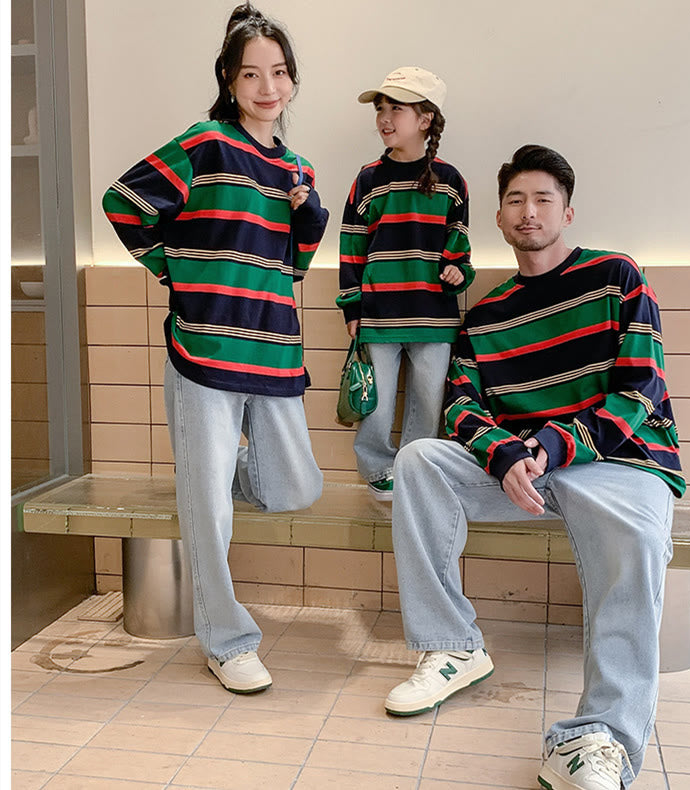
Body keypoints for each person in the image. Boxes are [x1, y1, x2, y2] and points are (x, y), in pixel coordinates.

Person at [385, 144, 685, 790]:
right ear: (499, 217)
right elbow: (460, 409)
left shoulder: (616, 277)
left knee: (636, 541)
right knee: (418, 461)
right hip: (528, 473)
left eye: (543, 198)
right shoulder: (487, 316)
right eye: (516, 200)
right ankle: (453, 645)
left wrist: (550, 445)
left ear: (567, 212)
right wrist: (505, 454)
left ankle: (601, 737)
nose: (529, 211)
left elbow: (641, 390)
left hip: (621, 463)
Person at [102, 3, 328, 694]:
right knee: (208, 507)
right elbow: (122, 202)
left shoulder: (296, 167)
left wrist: (308, 218)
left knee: (296, 486)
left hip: (272, 351)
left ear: (292, 82)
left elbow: (291, 268)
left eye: (280, 73)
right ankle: (227, 641)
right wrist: (176, 274)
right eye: (252, 73)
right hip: (202, 350)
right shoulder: (205, 144)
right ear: (230, 81)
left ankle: (214, 482)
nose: (268, 86)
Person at [336, 66, 475, 501]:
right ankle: (379, 471)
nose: (384, 118)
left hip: (434, 316)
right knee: (375, 405)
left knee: (429, 401)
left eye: (396, 108)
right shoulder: (367, 180)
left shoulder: (452, 182)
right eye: (380, 108)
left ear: (425, 119)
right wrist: (352, 309)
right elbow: (351, 249)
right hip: (378, 313)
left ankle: (415, 470)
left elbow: (460, 249)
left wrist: (458, 273)